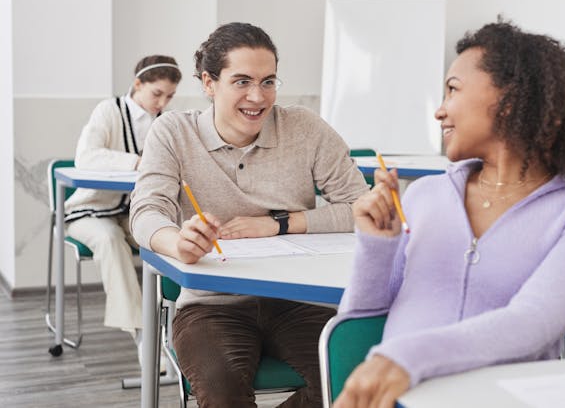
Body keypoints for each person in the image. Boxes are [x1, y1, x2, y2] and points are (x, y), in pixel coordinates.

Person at [332, 20, 565, 408]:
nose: (439, 111)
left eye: (453, 90)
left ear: (511, 99)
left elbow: (531, 324)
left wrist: (406, 358)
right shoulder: (424, 195)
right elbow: (359, 320)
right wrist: (377, 246)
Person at [129, 22, 370, 408]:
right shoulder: (172, 131)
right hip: (212, 305)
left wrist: (279, 224)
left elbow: (363, 209)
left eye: (268, 81)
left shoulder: (305, 128)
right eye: (241, 81)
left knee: (358, 382)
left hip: (299, 299)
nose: (258, 97)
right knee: (223, 395)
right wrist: (177, 242)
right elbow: (145, 211)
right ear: (209, 83)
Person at [64, 55, 182, 359]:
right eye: (157, 93)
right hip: (89, 211)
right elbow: (86, 157)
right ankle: (142, 332)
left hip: (134, 214)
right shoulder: (108, 111)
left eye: (169, 96)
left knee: (167, 238)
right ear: (138, 84)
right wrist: (138, 162)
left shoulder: (164, 123)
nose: (162, 102)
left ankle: (175, 324)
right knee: (108, 239)